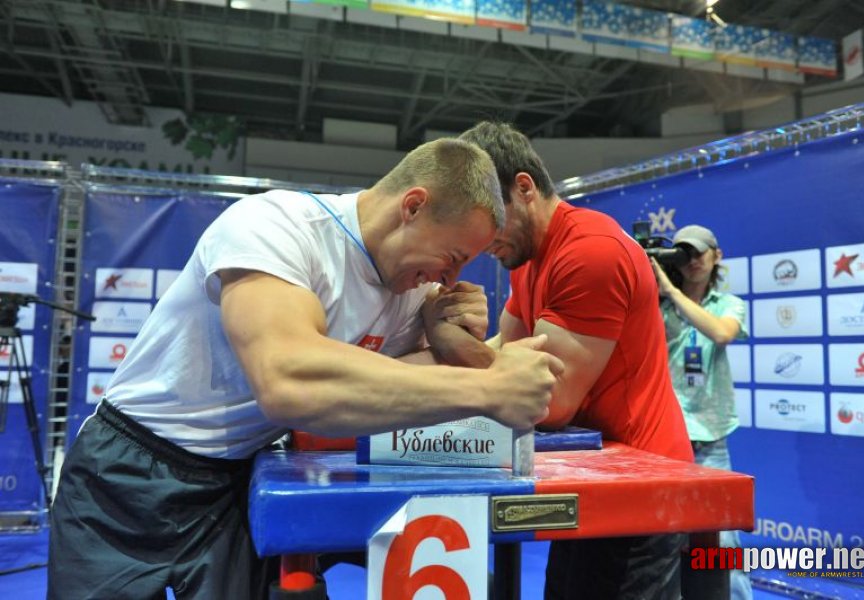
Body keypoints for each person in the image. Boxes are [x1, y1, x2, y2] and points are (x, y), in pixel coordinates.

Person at [47, 138, 564, 600]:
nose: (450, 278)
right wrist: (486, 386)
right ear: (412, 206)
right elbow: (288, 380)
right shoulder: (278, 228)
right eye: (452, 256)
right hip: (130, 468)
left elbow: (388, 384)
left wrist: (450, 342)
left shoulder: (413, 295)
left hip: (235, 480)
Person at [459, 121, 692, 600]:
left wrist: (458, 367)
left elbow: (547, 402)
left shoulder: (589, 253)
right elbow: (499, 354)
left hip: (643, 486)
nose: (481, 240)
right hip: (594, 473)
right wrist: (450, 351)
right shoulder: (527, 260)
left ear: (523, 188)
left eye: (487, 217)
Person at [652, 224, 753, 600]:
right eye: (683, 253)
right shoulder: (657, 307)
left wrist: (671, 291)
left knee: (723, 545)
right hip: (666, 440)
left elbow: (722, 333)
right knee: (662, 543)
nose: (692, 261)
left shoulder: (729, 304)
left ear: (717, 255)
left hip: (710, 438)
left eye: (699, 252)